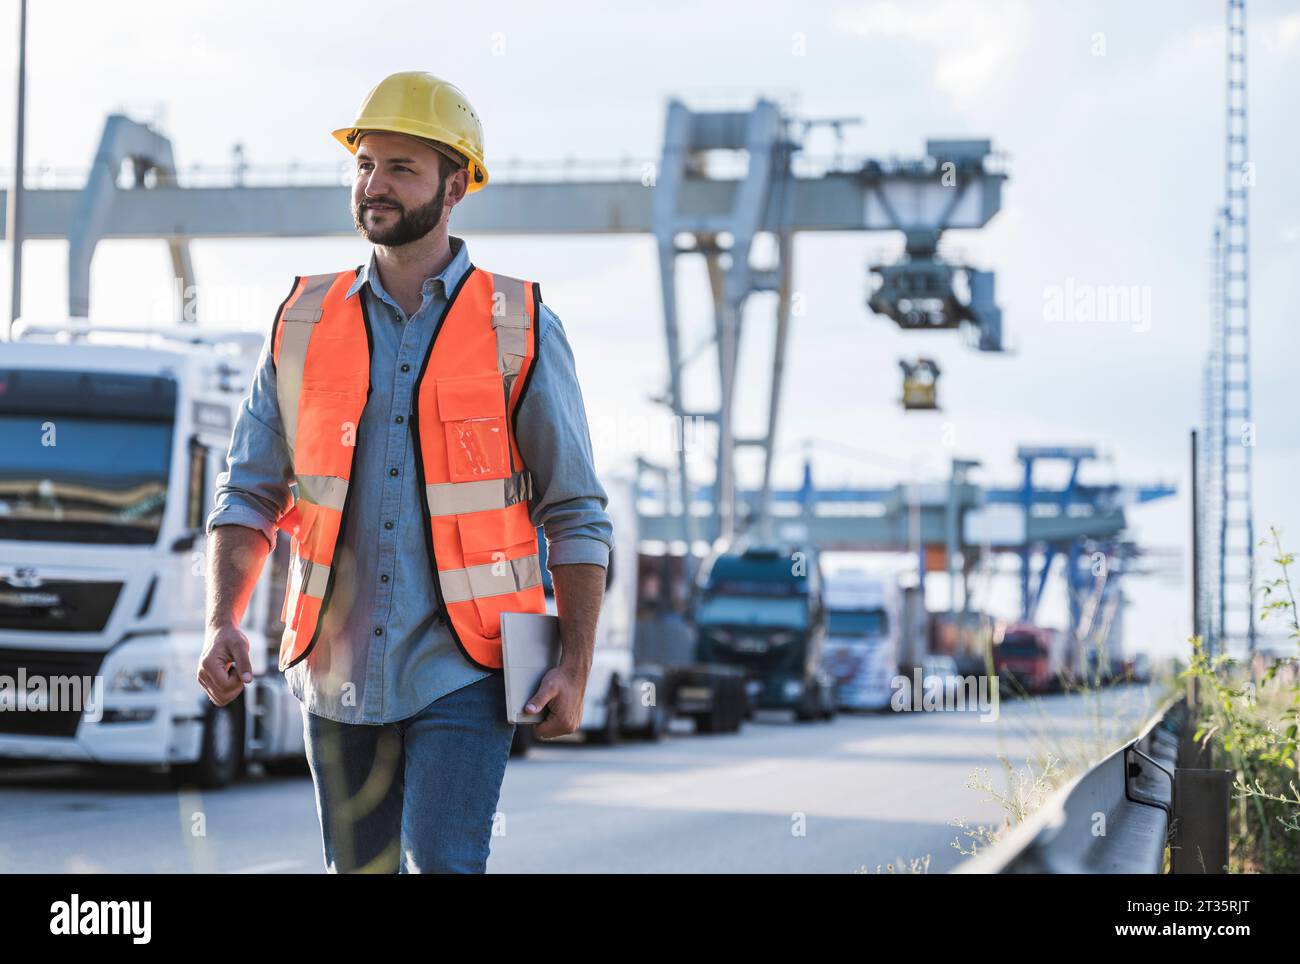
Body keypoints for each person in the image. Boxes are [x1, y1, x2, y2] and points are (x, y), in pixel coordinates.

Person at [196, 71, 613, 873]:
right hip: (334, 662)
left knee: (441, 862)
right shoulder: (302, 321)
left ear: (455, 187)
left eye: (400, 169)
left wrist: (576, 665)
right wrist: (224, 620)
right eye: (364, 165)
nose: (374, 186)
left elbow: (576, 512)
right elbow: (249, 491)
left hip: (469, 664)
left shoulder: (518, 325)